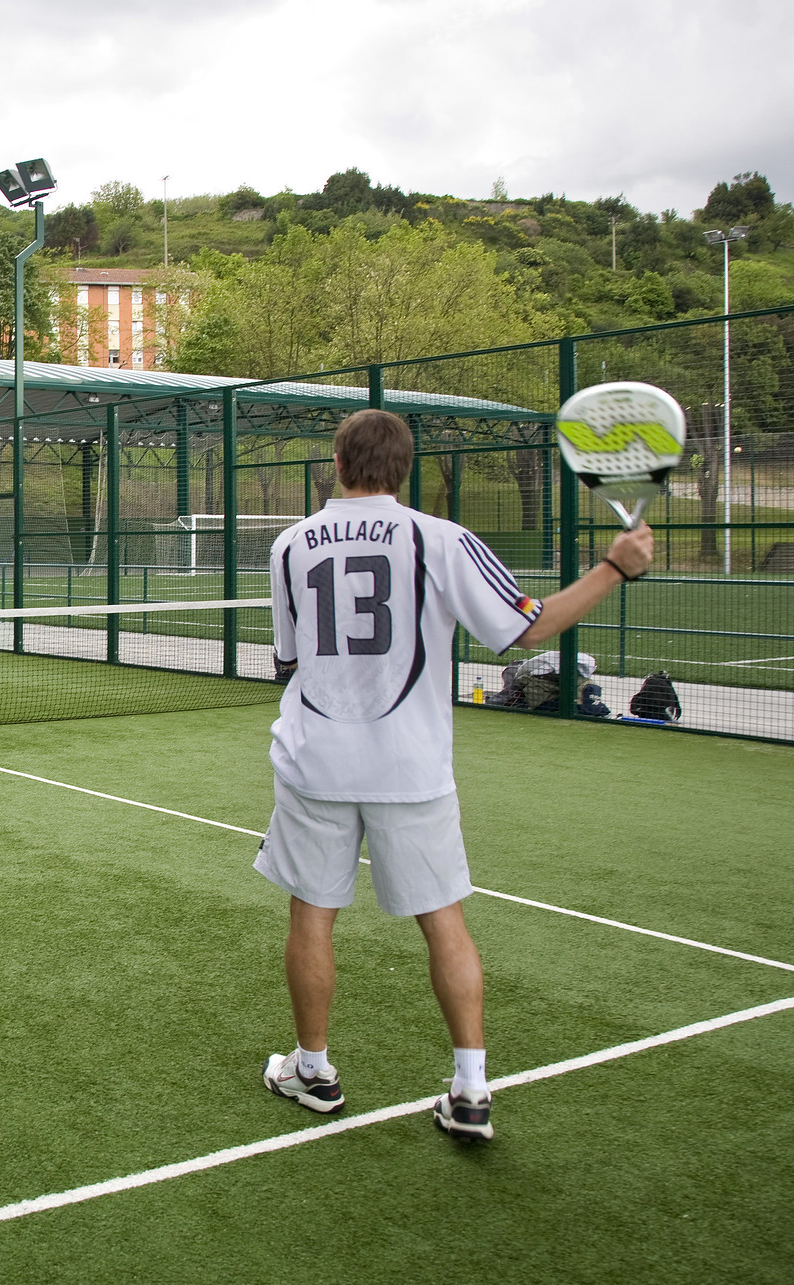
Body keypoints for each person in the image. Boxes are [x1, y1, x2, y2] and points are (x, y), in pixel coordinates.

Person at [255, 408, 653, 1142]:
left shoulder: (287, 545)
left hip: (313, 759)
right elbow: (526, 627)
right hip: (410, 765)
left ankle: (312, 1069)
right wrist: (612, 569)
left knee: (311, 914)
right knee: (443, 920)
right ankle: (469, 1088)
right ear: (403, 469)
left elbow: (287, 659)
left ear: (336, 463)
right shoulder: (440, 538)